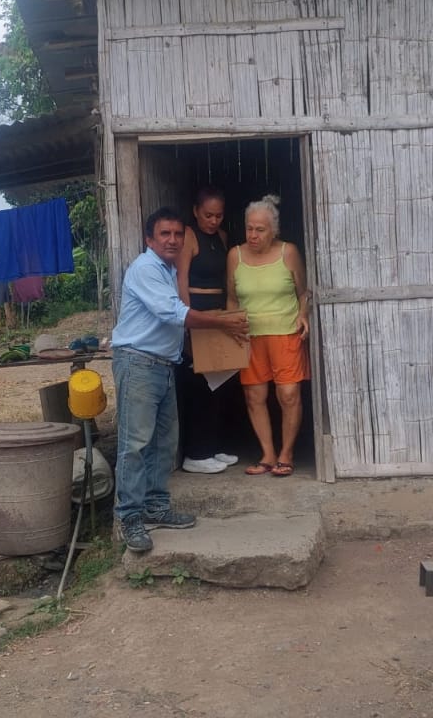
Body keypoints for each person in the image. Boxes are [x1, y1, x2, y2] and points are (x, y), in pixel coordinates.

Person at [111, 207, 251, 552]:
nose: (172, 240)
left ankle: (156, 507)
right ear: (149, 239)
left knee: (163, 443)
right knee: (135, 445)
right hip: (139, 363)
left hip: (162, 364)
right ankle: (129, 518)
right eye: (165, 234)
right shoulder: (145, 269)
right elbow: (173, 313)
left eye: (177, 234)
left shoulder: (169, 269)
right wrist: (223, 323)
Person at [226, 195, 310, 478]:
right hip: (250, 337)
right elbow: (232, 298)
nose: (253, 235)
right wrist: (233, 327)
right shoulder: (235, 256)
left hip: (285, 333)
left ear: (273, 230)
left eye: (260, 230)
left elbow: (303, 293)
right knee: (254, 396)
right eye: (249, 228)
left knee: (288, 394)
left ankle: (286, 454)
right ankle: (268, 454)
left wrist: (303, 314)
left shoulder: (288, 252)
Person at [175, 186, 240, 474]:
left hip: (219, 316)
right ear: (195, 211)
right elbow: (181, 280)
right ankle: (196, 454)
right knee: (198, 385)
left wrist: (229, 315)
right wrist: (188, 321)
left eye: (219, 215)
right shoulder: (189, 236)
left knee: (220, 384)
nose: (213, 221)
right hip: (198, 314)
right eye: (208, 215)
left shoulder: (222, 237)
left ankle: (213, 447)